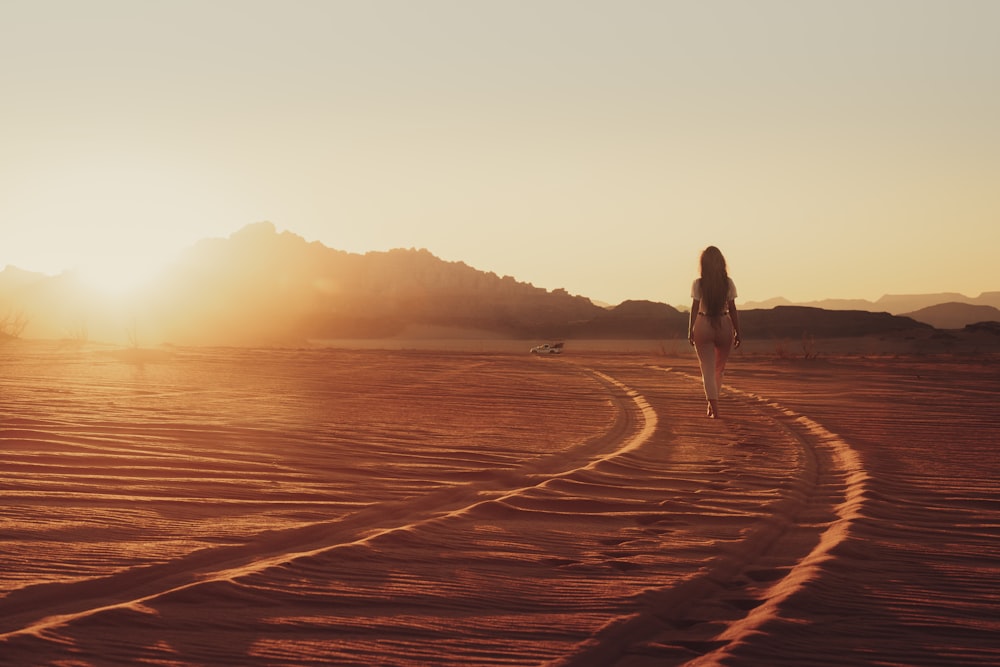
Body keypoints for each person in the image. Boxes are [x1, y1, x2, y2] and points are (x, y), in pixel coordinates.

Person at [688, 246, 742, 418]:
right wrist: (737, 331)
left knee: (708, 369)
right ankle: (713, 403)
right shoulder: (728, 283)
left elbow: (695, 308)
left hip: (703, 323)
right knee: (719, 369)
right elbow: (733, 309)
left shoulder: (699, 283)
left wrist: (690, 329)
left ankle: (713, 405)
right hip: (724, 323)